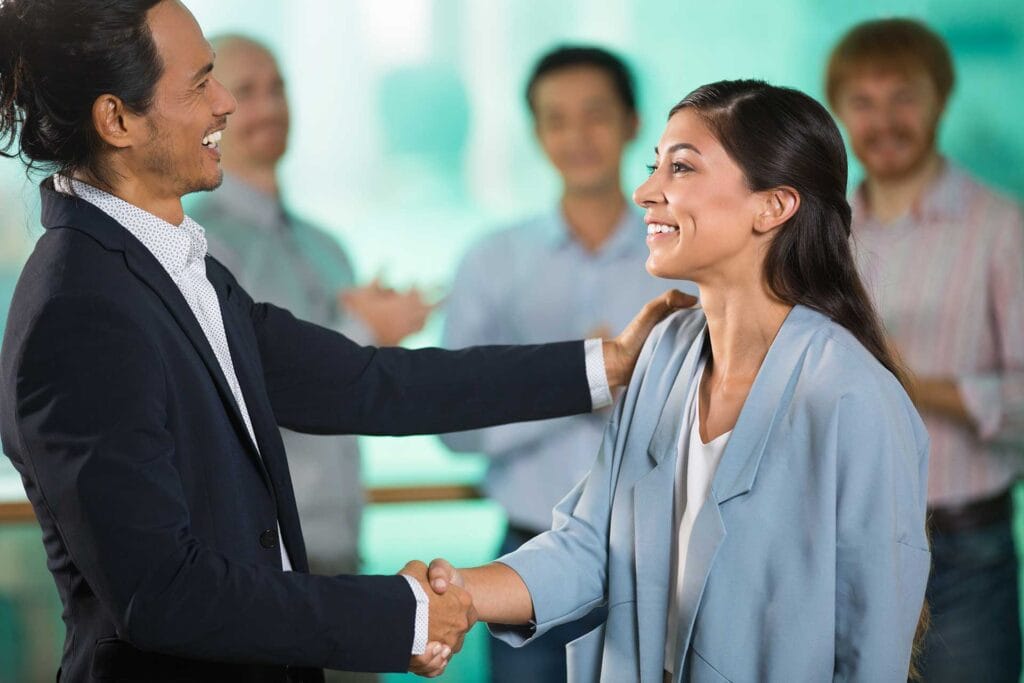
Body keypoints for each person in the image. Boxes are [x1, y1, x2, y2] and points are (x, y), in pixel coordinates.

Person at [0, 1, 689, 681]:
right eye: (200, 82)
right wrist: (406, 614)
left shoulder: (175, 268)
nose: (225, 105)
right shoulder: (80, 310)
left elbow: (369, 384)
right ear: (116, 119)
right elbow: (165, 592)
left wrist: (608, 363)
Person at [422, 80, 931, 682]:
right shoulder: (665, 352)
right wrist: (457, 594)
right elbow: (592, 546)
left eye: (681, 168)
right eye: (654, 165)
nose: (644, 192)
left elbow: (871, 650)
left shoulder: (853, 397)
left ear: (773, 205)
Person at [440, 45, 694, 682]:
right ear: (536, 133)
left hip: (665, 551)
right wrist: (575, 383)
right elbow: (454, 428)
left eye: (595, 114)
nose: (576, 136)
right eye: (556, 119)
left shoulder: (686, 254)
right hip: (526, 552)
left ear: (636, 124)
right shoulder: (492, 261)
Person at [189, 34, 431, 580]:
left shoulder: (327, 248)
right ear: (211, 104)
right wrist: (365, 326)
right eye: (247, 90)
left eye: (278, 88)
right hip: (258, 560)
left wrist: (368, 330)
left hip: (342, 549)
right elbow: (246, 385)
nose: (270, 106)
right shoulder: (200, 245)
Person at [825, 19, 1024, 682]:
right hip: (836, 540)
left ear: (940, 99)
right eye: (863, 101)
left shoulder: (1001, 228)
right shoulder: (821, 238)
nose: (884, 120)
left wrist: (911, 381)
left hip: (964, 548)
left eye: (903, 96)